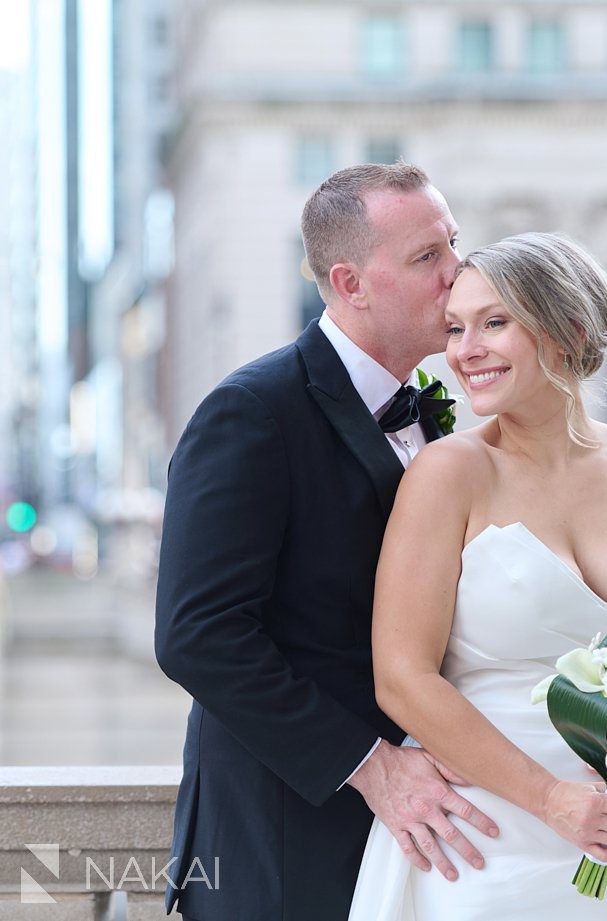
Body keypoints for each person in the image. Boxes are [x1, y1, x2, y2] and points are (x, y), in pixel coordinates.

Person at [154, 163, 503, 921]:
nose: (458, 274)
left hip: (423, 839)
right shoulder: (252, 412)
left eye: (453, 244)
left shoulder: (437, 418)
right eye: (425, 258)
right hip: (284, 839)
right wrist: (372, 767)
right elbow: (197, 636)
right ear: (351, 283)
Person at [350, 232, 607, 919]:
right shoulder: (449, 474)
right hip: (486, 843)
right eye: (456, 328)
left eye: (494, 323)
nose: (465, 350)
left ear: (568, 329)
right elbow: (402, 676)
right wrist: (553, 800)